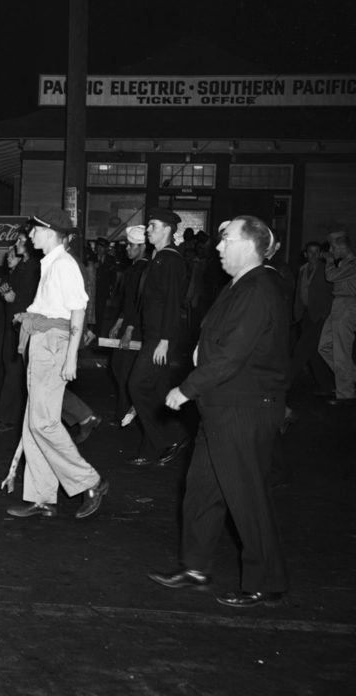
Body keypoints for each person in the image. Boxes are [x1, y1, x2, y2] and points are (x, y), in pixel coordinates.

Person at [151, 216, 290, 608]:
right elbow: (220, 340)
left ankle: (268, 581)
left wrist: (186, 388)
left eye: (226, 239)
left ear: (249, 245)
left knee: (246, 497)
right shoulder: (241, 285)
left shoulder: (259, 288)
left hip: (243, 407)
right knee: (202, 490)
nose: (217, 246)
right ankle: (195, 566)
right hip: (224, 405)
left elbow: (232, 355)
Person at [6, 208, 108, 520]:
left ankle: (90, 481)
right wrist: (30, 316)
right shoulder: (49, 263)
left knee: (43, 422)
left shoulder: (64, 265)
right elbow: (56, 309)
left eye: (35, 230)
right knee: (33, 423)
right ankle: (42, 497)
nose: (30, 235)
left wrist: (71, 357)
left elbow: (78, 311)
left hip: (53, 347)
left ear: (51, 233)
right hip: (41, 343)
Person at [126, 208, 191, 466]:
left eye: (152, 225)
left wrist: (164, 340)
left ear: (167, 229)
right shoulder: (158, 257)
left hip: (161, 337)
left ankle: (172, 436)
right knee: (156, 388)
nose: (148, 230)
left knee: (137, 385)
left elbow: (173, 303)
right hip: (154, 333)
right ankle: (154, 446)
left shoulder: (171, 260)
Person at [0, 230, 39, 432]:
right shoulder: (21, 267)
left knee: (15, 372)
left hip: (25, 326)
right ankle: (11, 416)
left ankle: (8, 418)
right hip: (12, 325)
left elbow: (35, 300)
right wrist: (7, 295)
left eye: (21, 240)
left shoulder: (36, 268)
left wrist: (14, 299)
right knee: (12, 371)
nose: (17, 243)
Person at [108, 225, 149, 425]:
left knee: (125, 370)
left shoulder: (143, 270)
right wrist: (119, 323)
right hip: (129, 323)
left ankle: (127, 413)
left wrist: (129, 330)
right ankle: (126, 411)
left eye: (131, 245)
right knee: (118, 367)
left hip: (136, 327)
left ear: (141, 247)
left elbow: (139, 304)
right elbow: (128, 302)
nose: (127, 249)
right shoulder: (133, 268)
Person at [317, 230, 356, 406]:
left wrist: (330, 262)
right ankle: (349, 379)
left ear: (341, 246)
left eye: (333, 247)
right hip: (338, 305)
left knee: (341, 352)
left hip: (348, 306)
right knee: (324, 347)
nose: (331, 251)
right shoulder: (345, 263)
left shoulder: (353, 263)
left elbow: (330, 276)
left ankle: (345, 394)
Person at [290, 241, 334, 394]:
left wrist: (325, 314)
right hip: (306, 315)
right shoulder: (302, 270)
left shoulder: (325, 269)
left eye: (316, 252)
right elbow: (299, 293)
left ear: (320, 253)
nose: (313, 255)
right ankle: (327, 386)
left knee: (301, 350)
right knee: (314, 353)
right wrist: (297, 315)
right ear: (305, 254)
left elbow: (332, 292)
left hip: (320, 316)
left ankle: (283, 384)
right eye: (310, 252)